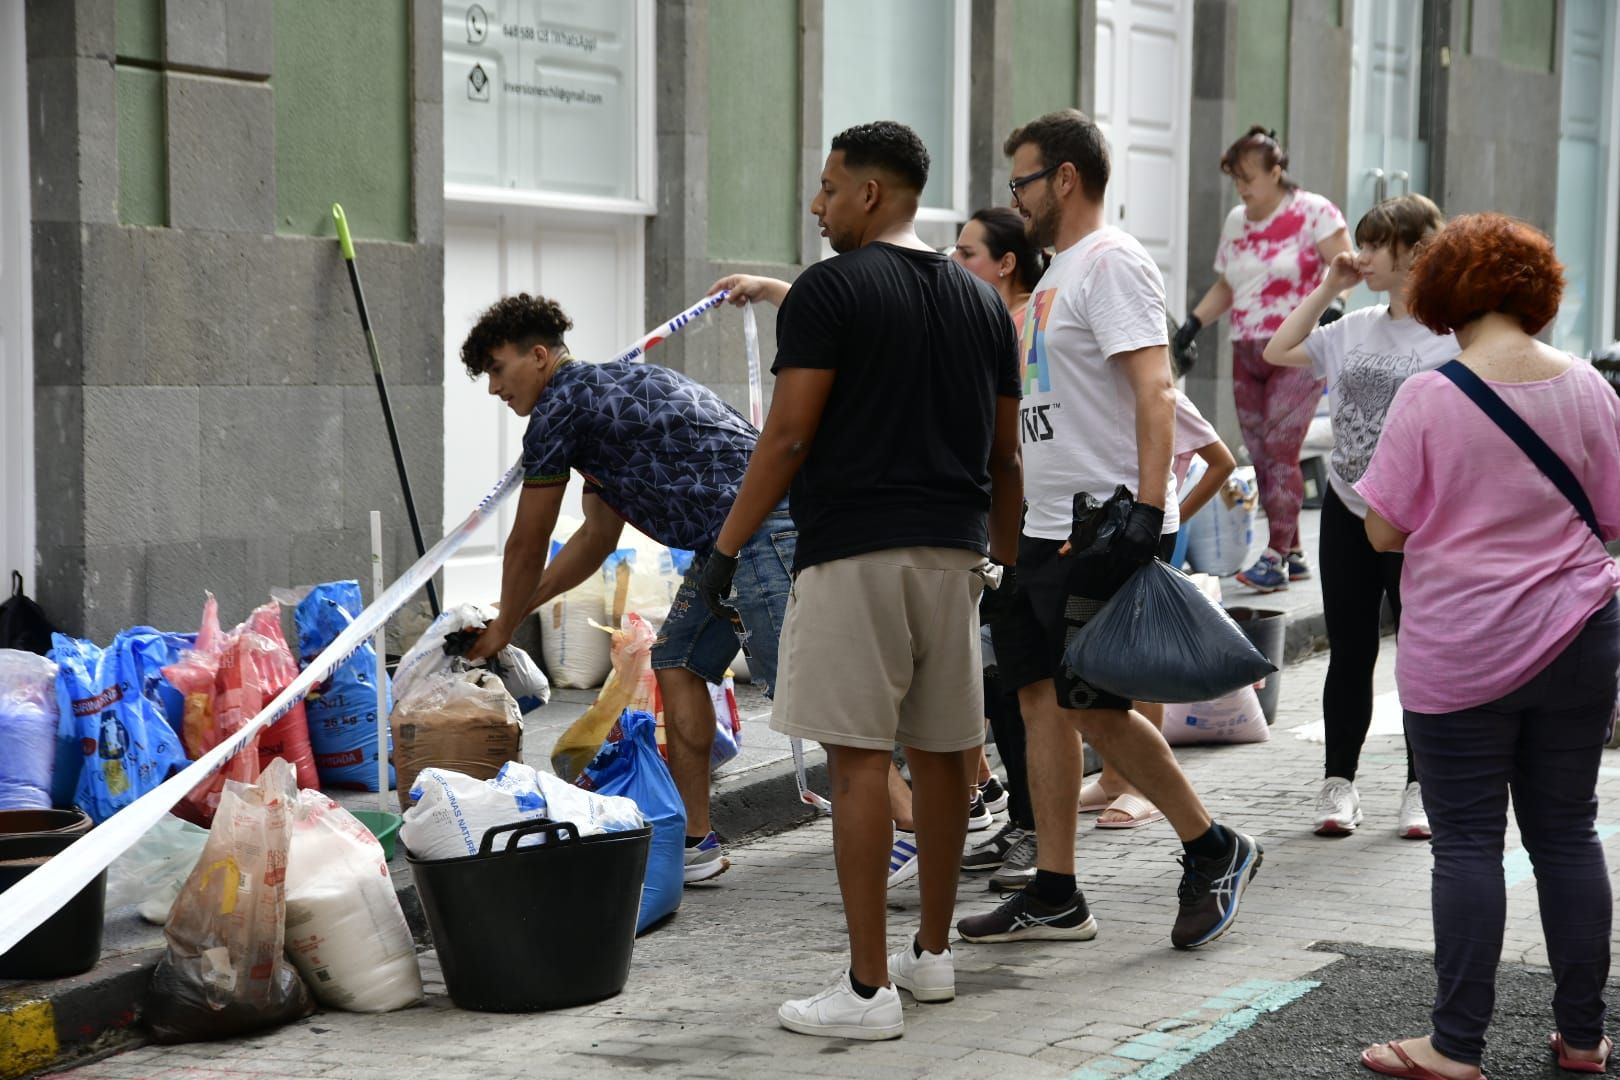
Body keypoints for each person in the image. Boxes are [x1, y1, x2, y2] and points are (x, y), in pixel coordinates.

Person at [703, 121, 1022, 1040]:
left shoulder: (832, 292)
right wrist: (999, 560)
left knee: (856, 765)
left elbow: (790, 435)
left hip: (854, 554)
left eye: (828, 187)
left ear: (872, 194)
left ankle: (866, 990)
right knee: (943, 762)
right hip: (955, 556)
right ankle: (931, 960)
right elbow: (1005, 457)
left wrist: (725, 551)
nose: (817, 205)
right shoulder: (982, 306)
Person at [957, 108, 1262, 953]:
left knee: (1093, 706)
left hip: (1098, 524)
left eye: (1021, 179)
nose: (1014, 197)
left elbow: (1156, 391)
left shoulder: (1114, 262)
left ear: (1063, 177)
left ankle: (1213, 846)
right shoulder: (1057, 275)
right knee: (1037, 704)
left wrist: (1148, 516)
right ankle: (1057, 890)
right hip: (1039, 531)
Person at [1355, 213, 1619, 1079]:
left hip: (1463, 646)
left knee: (1467, 845)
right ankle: (1584, 1037)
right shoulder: (1588, 387)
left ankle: (1456, 1045)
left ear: (1444, 293)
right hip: (1580, 631)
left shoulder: (1431, 395)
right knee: (1569, 833)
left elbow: (1384, 533)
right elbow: (1612, 518)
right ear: (1533, 289)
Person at [458, 293, 796, 884]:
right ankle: (697, 842)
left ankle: (913, 822)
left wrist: (505, 627)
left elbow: (528, 540)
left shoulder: (559, 410)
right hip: (728, 541)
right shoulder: (603, 399)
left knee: (810, 692)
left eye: (496, 368)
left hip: (766, 526)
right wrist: (509, 611)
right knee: (679, 663)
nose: (493, 388)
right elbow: (593, 541)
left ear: (538, 356)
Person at [1262, 194, 1456, 841]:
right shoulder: (1354, 326)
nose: (1362, 253)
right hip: (1348, 506)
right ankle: (1339, 785)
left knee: (1421, 654)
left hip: (1417, 520)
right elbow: (1277, 350)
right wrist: (1329, 286)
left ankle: (1421, 787)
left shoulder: (1450, 338)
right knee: (1350, 651)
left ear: (1415, 253)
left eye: (1377, 245)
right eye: (1364, 243)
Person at [1178, 126, 1351, 592]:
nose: (1243, 187)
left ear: (1277, 172)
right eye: (1236, 178)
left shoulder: (1314, 212)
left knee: (1279, 450)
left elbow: (1345, 270)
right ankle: (1293, 553)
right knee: (1259, 452)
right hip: (1246, 347)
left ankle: (1273, 557)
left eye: (1250, 176)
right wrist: (1192, 324)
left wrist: (1329, 314)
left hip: (1295, 348)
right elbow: (1229, 286)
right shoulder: (1237, 221)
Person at [1080, 390, 1238, 831]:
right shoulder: (1097, 387)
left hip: (1146, 534)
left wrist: (1173, 516)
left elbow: (1221, 461)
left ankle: (1141, 787)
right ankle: (1114, 778)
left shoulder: (1163, 395)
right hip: (1100, 533)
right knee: (1108, 657)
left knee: (1140, 656)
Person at [947, 206, 1048, 882]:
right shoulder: (981, 322)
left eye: (967, 254)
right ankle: (1019, 820)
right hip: (988, 527)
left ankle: (1039, 833)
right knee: (997, 685)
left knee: (1025, 692)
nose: (954, 265)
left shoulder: (1027, 323)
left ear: (1005, 263)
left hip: (1025, 530)